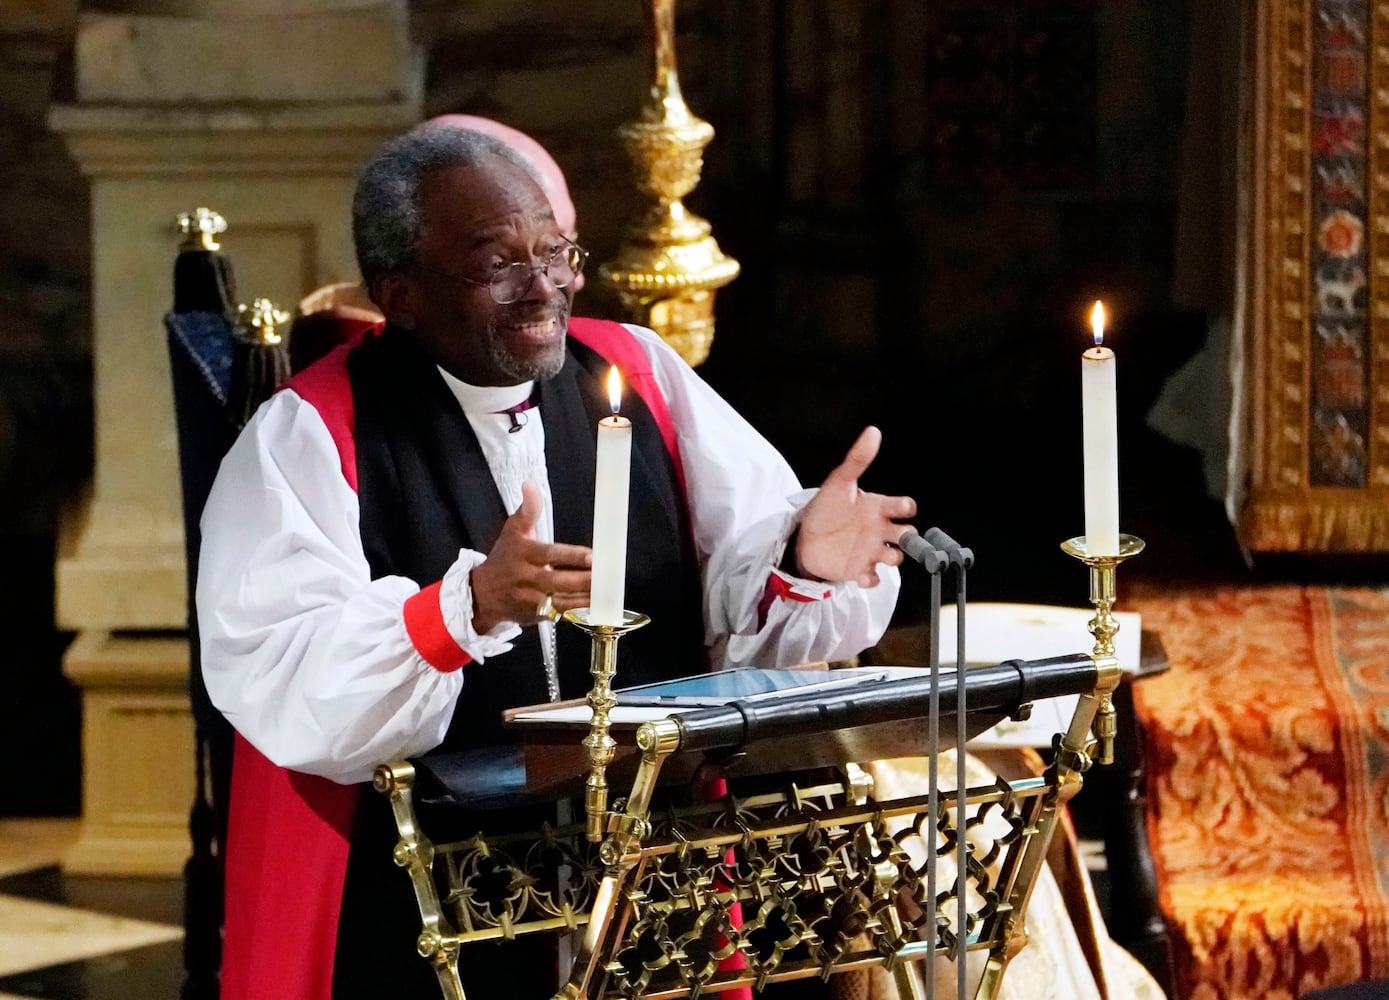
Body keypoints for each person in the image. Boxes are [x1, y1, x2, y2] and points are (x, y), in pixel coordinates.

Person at [196, 122, 915, 1000]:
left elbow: (735, 600)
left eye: (556, 251)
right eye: (498, 262)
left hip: (643, 872)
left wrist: (804, 560)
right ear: (401, 293)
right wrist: (461, 612)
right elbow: (281, 673)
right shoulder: (311, 431)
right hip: (417, 899)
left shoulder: (635, 372)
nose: (544, 287)